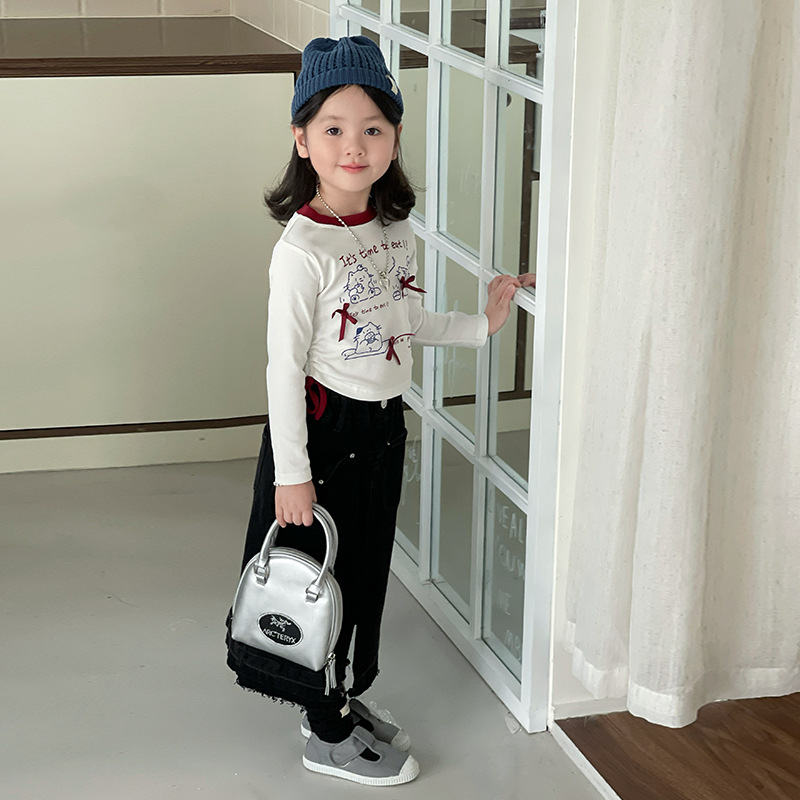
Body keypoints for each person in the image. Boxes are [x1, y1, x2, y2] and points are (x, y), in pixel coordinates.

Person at [226, 35, 534, 787]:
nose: (354, 146)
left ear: (395, 137)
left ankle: (338, 696)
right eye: (333, 128)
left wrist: (481, 325)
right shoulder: (302, 250)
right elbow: (281, 370)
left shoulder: (392, 230)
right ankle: (324, 730)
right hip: (322, 433)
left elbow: (403, 320)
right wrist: (292, 475)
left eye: (373, 127)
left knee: (361, 574)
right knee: (313, 576)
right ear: (301, 139)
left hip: (381, 428)